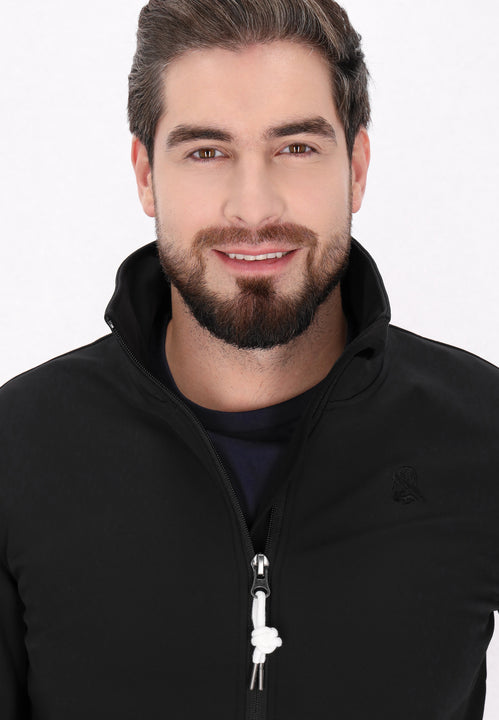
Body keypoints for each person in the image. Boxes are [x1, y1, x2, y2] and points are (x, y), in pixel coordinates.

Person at [1, 0, 498, 718]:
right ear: (145, 175)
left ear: (356, 167)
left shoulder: (481, 433)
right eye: (206, 151)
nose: (254, 207)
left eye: (296, 147)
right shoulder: (18, 449)